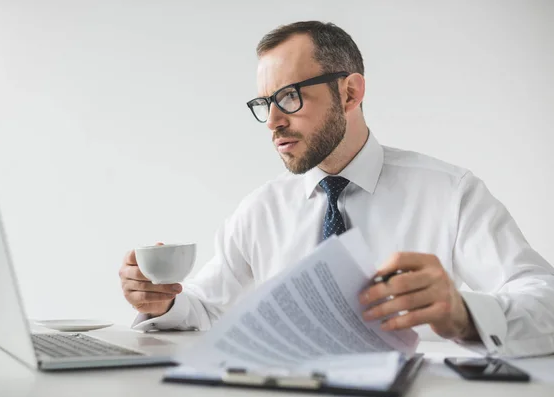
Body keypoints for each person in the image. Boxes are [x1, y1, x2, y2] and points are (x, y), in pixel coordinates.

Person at [119, 21, 554, 357]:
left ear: (349, 92)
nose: (272, 121)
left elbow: (545, 301)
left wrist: (464, 315)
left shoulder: (450, 193)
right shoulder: (260, 210)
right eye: (264, 103)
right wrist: (161, 301)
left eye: (289, 96)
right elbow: (205, 307)